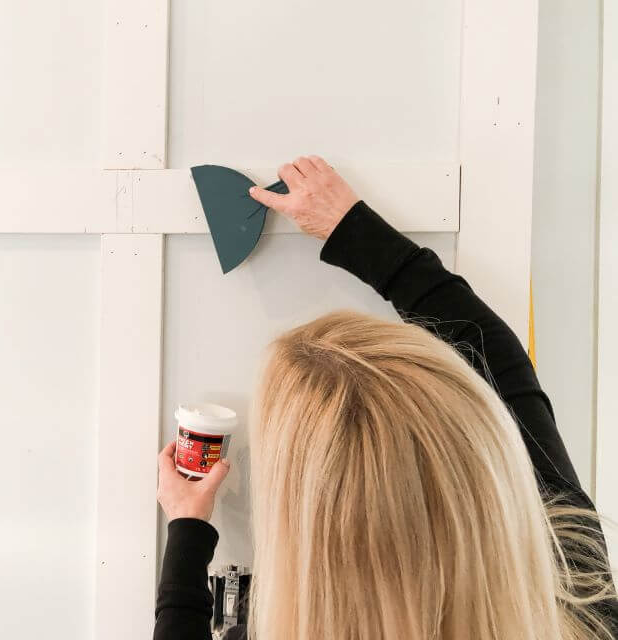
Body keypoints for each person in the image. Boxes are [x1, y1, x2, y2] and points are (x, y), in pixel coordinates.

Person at [154, 156, 618, 640]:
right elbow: (488, 353)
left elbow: (488, 354)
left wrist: (188, 530)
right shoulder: (576, 599)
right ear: (479, 453)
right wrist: (354, 231)